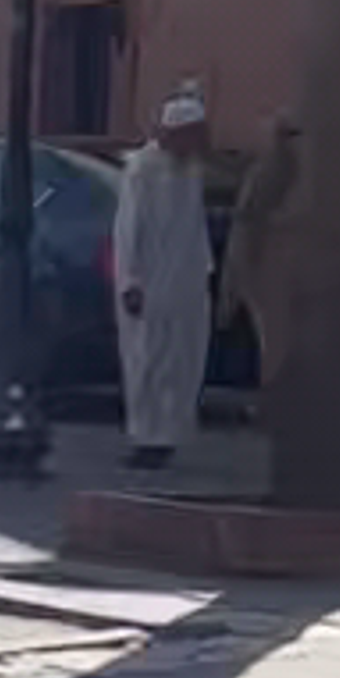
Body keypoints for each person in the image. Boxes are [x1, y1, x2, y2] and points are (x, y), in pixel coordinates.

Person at [111, 82, 218, 469]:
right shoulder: (143, 170)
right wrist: (131, 282)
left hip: (186, 280)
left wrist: (204, 269)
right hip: (150, 282)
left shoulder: (190, 171)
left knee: (182, 360)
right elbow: (128, 231)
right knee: (147, 361)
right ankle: (145, 436)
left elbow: (194, 226)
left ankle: (168, 436)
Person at [222, 111, 301, 408]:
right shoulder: (278, 171)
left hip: (265, 259)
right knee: (273, 336)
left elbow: (249, 220)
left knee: (272, 337)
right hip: (263, 258)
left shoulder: (273, 171)